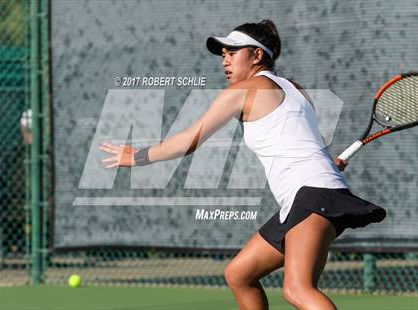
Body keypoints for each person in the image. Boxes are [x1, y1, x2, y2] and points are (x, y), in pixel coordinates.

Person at [99, 20, 386, 310]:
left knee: (298, 290)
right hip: (313, 194)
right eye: (223, 55)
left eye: (232, 53)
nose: (225, 61)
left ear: (257, 55)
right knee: (239, 275)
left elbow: (189, 141)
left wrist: (137, 156)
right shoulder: (296, 89)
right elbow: (302, 142)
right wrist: (328, 163)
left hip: (310, 197)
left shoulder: (245, 90)